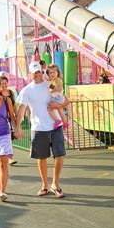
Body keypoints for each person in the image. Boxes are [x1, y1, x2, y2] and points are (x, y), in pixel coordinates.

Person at [15, 61, 70, 199]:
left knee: (60, 156)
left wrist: (58, 106)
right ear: (30, 74)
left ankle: (55, 184)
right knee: (42, 158)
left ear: (42, 72)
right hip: (38, 128)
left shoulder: (50, 84)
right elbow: (21, 110)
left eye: (39, 72)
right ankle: (45, 185)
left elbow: (65, 100)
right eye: (34, 73)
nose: (37, 75)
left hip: (55, 126)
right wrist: (18, 127)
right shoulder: (26, 90)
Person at [0, 75, 18, 165]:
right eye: (2, 83)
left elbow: (14, 105)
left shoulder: (11, 92)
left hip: (10, 117)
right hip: (2, 118)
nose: (4, 85)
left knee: (10, 138)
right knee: (5, 138)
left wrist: (17, 114)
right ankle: (9, 157)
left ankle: (8, 156)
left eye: (5, 83)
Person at [47, 64, 68, 129]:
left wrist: (52, 91)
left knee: (49, 108)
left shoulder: (58, 80)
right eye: (50, 73)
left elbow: (60, 88)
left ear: (57, 73)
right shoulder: (53, 81)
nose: (52, 74)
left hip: (58, 98)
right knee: (60, 110)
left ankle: (57, 120)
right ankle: (65, 123)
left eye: (54, 72)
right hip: (57, 98)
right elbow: (51, 87)